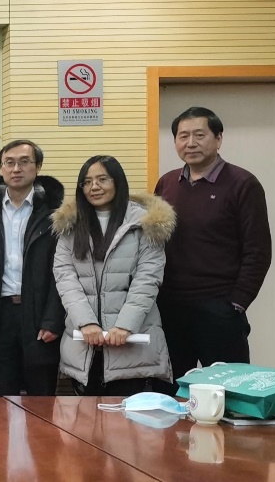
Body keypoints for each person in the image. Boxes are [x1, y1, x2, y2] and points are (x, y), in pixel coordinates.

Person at [155, 107, 272, 383]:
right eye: (183, 136)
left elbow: (258, 251)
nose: (190, 143)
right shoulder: (167, 183)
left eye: (199, 135)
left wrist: (237, 303)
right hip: (170, 309)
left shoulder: (243, 184)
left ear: (218, 139)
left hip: (220, 309)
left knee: (227, 389)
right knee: (173, 390)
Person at [53, 155, 176, 396]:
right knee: (84, 417)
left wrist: (125, 326)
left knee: (127, 417)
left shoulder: (144, 223)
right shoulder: (70, 226)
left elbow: (147, 280)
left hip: (131, 342)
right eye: (87, 182)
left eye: (102, 179)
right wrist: (86, 322)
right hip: (84, 344)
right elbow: (65, 277)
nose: (94, 187)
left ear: (118, 182)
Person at [0, 140, 65, 396]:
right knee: (0, 396)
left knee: (41, 395)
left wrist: (53, 319)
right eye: (9, 163)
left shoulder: (56, 214)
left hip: (38, 313)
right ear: (1, 168)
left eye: (24, 162)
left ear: (38, 167)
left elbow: (64, 272)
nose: (16, 169)